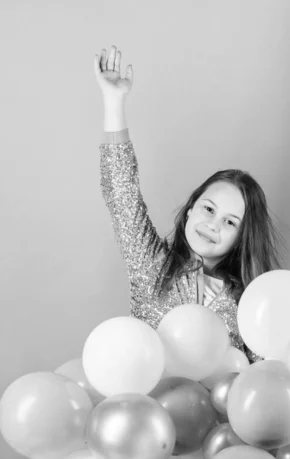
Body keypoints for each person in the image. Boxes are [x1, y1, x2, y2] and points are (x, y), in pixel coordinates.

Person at [95, 46, 280, 357]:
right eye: (209, 209)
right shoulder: (152, 266)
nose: (213, 224)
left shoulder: (248, 302)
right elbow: (121, 191)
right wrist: (114, 102)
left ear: (241, 238)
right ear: (191, 208)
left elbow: (260, 376)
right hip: (149, 403)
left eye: (230, 222)